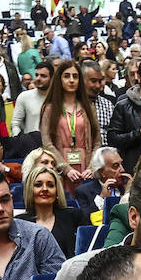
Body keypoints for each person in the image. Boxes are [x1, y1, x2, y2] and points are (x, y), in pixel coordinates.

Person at [38, 60, 101, 192]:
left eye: (75, 76)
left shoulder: (88, 107)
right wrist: (66, 169)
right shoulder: (49, 108)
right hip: (60, 166)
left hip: (86, 165)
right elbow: (47, 144)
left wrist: (91, 167)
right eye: (66, 76)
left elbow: (97, 142)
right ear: (59, 79)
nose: (71, 80)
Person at [18, 162, 88, 259]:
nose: (45, 189)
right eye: (38, 185)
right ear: (30, 190)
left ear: (57, 191)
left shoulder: (73, 216)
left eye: (50, 185)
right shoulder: (19, 223)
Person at [74, 145, 128, 214]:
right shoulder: (84, 191)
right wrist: (101, 198)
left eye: (121, 164)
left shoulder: (127, 185)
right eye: (115, 166)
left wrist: (129, 192)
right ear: (101, 172)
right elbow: (85, 220)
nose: (122, 170)